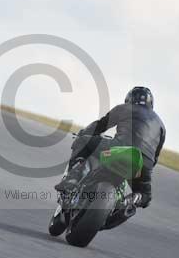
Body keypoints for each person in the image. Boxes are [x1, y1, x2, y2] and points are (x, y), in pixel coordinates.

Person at [55, 86, 166, 214]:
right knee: (145, 195)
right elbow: (155, 157)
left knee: (84, 141)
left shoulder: (124, 108)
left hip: (120, 149)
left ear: (129, 99)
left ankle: (72, 178)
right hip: (143, 163)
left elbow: (100, 125)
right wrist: (145, 171)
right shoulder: (161, 125)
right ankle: (132, 200)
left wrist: (84, 133)